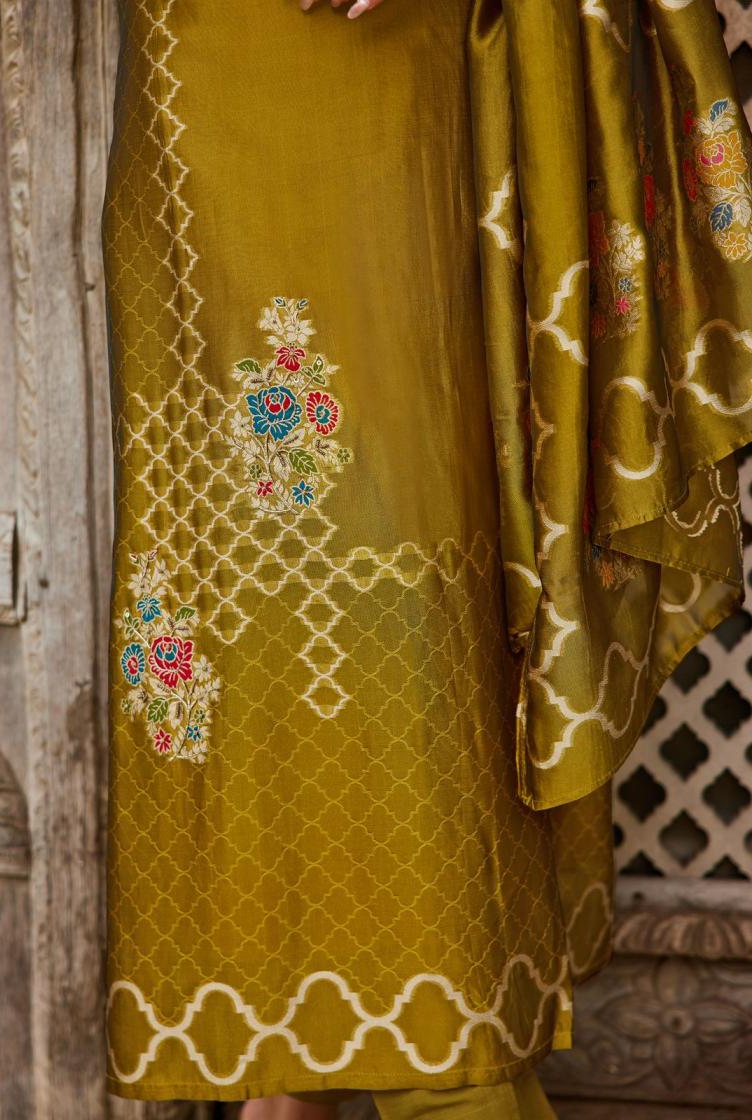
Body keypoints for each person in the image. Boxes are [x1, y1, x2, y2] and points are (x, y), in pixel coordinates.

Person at [103, 1, 752, 1117]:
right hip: (211, 67)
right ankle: (299, 1074)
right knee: (242, 572)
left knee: (414, 543)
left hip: (410, 68)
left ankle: (405, 1061)